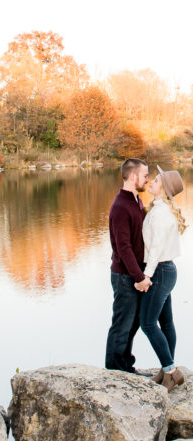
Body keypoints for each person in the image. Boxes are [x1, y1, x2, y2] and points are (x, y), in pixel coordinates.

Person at [135, 166, 187, 392]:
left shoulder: (160, 214)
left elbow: (155, 250)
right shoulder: (160, 209)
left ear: (163, 189)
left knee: (147, 323)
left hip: (160, 271)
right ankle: (167, 369)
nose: (151, 182)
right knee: (165, 322)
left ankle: (170, 370)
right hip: (167, 270)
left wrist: (146, 277)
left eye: (156, 180)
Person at [105, 158, 151, 373]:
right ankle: (115, 371)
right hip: (125, 276)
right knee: (122, 325)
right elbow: (123, 248)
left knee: (133, 324)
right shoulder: (121, 206)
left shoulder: (135, 200)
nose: (147, 180)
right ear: (133, 177)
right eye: (145, 175)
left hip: (133, 274)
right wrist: (139, 278)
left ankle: (126, 367)